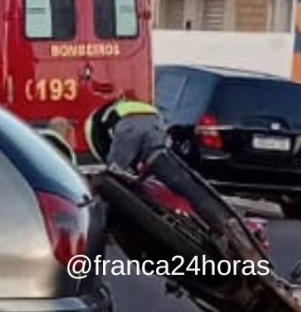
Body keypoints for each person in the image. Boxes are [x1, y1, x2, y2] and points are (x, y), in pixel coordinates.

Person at [86, 98, 263, 260]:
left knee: (113, 174)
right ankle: (221, 222)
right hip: (157, 123)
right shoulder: (122, 108)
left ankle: (94, 228)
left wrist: (115, 172)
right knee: (166, 166)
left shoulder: (100, 126)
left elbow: (113, 158)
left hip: (131, 126)